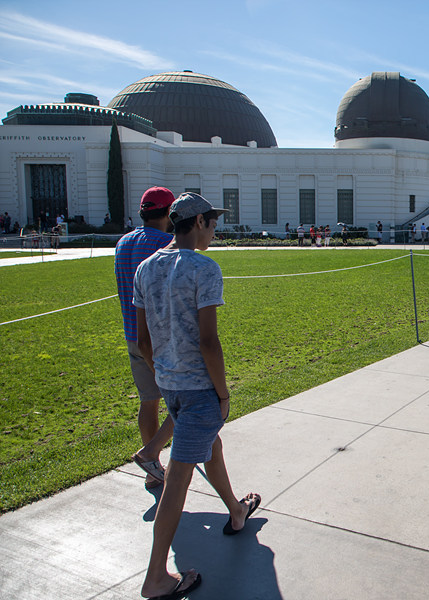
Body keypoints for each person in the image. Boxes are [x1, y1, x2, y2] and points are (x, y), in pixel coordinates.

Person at [134, 192, 260, 599]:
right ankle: (156, 578)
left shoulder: (145, 268)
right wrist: (222, 393)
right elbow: (209, 341)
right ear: (200, 222)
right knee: (177, 481)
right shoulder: (204, 268)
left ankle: (236, 512)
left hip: (170, 384)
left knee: (212, 445)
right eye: (213, 222)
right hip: (199, 389)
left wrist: (165, 371)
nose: (215, 230)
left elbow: (142, 339)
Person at [114, 187, 177, 490]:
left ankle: (153, 471)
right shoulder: (167, 243)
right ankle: (152, 454)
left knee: (148, 400)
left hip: (132, 334)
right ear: (168, 213)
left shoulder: (123, 243)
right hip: (161, 337)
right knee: (187, 400)